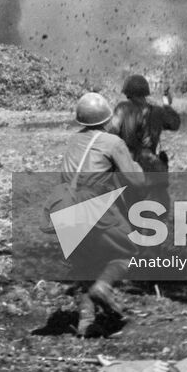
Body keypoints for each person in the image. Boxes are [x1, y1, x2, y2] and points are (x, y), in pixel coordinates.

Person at [60, 91, 144, 338]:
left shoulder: (73, 141)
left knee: (86, 264)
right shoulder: (113, 143)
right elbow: (136, 182)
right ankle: (103, 288)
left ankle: (86, 322)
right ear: (108, 119)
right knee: (129, 252)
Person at [109, 74, 181, 172]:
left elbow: (112, 133)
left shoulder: (122, 108)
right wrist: (167, 105)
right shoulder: (157, 112)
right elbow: (175, 124)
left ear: (127, 93)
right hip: (150, 165)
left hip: (126, 166)